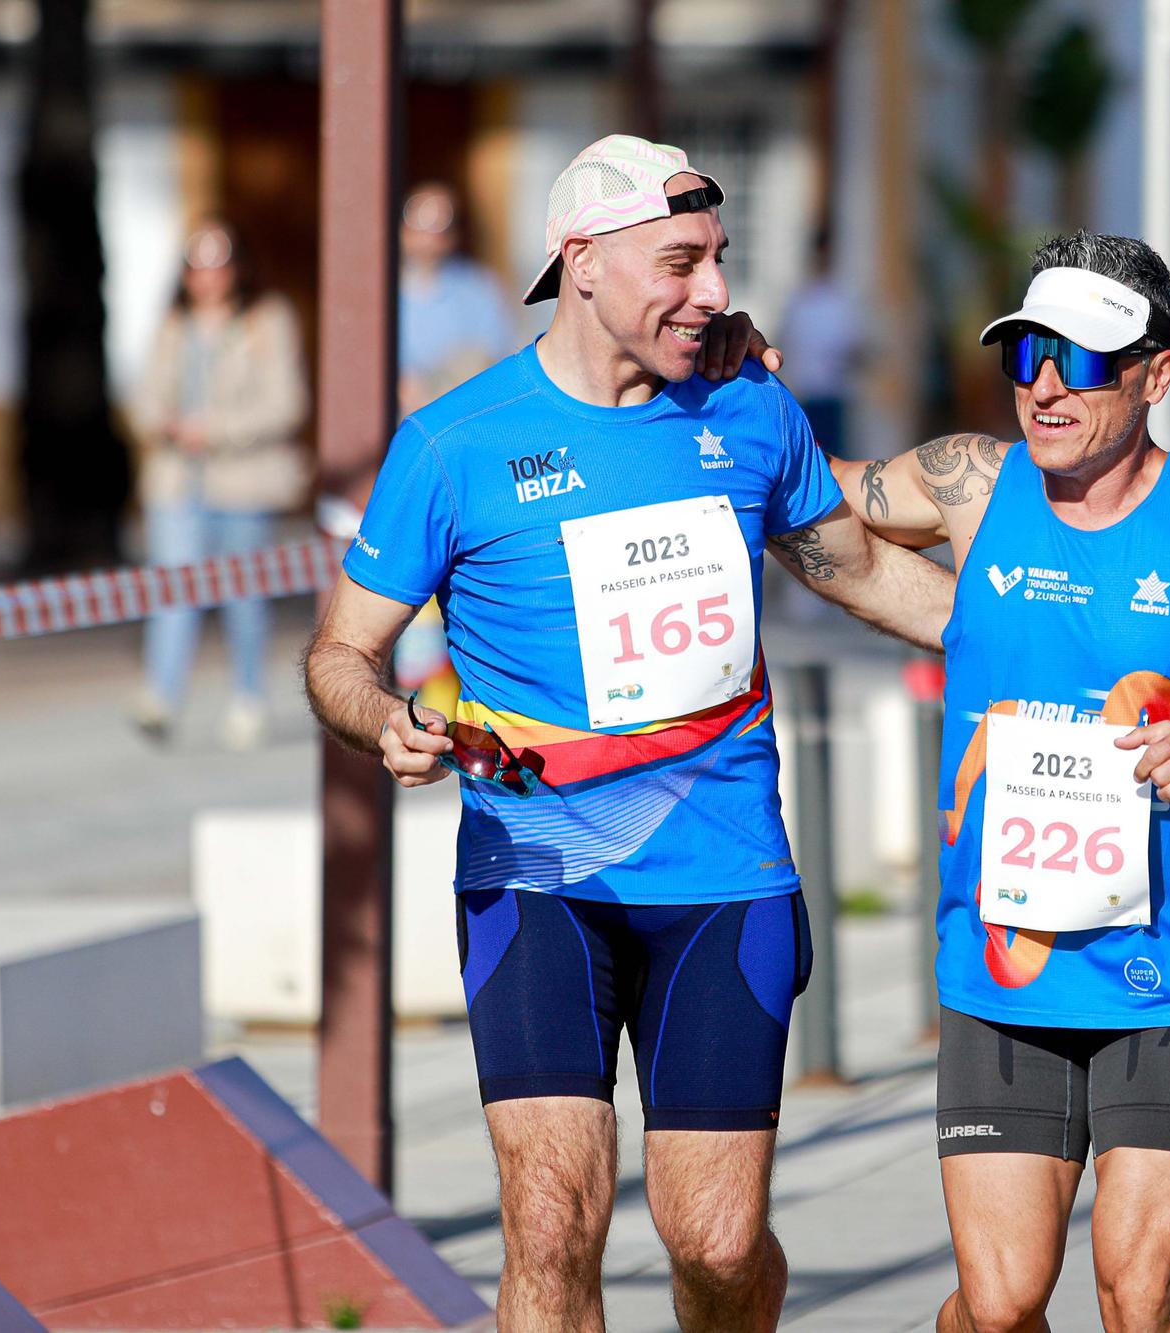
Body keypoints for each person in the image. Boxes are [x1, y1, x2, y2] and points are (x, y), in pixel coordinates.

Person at [303, 134, 955, 1333]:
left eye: (716, 258)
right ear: (582, 261)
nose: (709, 290)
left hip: (722, 873)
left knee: (713, 1245)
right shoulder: (454, 443)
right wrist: (380, 719)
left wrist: (1027, 646)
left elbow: (859, 570)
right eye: (678, 262)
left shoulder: (749, 403)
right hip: (537, 873)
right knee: (552, 1228)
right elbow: (339, 650)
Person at [827, 231, 1170, 1331]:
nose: (1045, 384)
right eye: (1027, 352)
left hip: (1167, 973)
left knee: (1137, 1296)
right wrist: (726, 400)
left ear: (1154, 374)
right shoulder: (974, 486)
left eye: (1082, 360)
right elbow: (819, 504)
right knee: (998, 1306)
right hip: (999, 969)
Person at [129, 220, 309, 748]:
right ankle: (161, 695)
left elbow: (286, 402)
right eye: (197, 267)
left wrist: (217, 430)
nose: (208, 278)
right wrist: (163, 421)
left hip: (243, 484)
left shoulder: (267, 320)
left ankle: (247, 697)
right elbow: (143, 397)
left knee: (244, 597)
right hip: (177, 482)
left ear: (238, 267)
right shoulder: (172, 325)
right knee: (172, 592)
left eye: (218, 265)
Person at [398, 181, 517, 417]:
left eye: (443, 225)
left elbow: (495, 359)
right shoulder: (379, 292)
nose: (430, 236)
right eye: (420, 223)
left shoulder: (479, 288)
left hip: (460, 416)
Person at [776, 226, 867, 460]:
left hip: (834, 393)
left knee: (837, 459)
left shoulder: (841, 298)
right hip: (808, 393)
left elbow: (855, 347)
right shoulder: (800, 300)